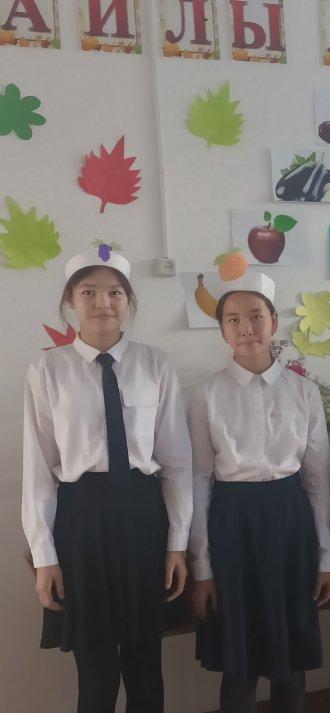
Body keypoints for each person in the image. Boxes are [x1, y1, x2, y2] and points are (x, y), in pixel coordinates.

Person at [22, 245, 192, 713]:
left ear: (128, 300)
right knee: (95, 673)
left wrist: (177, 544)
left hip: (143, 519)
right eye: (89, 292)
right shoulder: (48, 369)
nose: (103, 302)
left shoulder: (155, 364)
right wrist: (44, 556)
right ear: (70, 301)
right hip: (81, 522)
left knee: (146, 667)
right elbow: (39, 470)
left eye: (115, 292)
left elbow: (177, 462)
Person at [188, 271, 330, 713]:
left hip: (290, 524)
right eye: (233, 320)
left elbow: (317, 481)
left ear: (273, 321)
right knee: (240, 660)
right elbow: (198, 480)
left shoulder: (303, 392)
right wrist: (202, 566)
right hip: (233, 526)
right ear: (222, 331)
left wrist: (325, 556)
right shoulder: (205, 395)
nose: (246, 328)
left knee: (291, 656)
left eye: (255, 316)